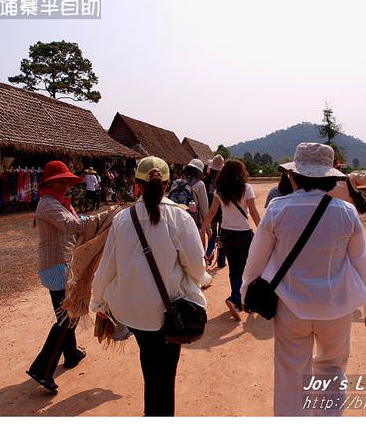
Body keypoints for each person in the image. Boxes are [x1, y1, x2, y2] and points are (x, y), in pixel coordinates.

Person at [241, 143, 366, 416]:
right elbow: (363, 265)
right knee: (331, 370)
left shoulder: (278, 209)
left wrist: (247, 293)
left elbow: (255, 260)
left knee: (291, 373)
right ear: (330, 177)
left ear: (293, 176)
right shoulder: (346, 212)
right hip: (336, 309)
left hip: (291, 308)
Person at [91, 156, 207, 417]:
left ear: (137, 184)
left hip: (134, 313)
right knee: (166, 374)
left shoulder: (122, 219)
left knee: (149, 363)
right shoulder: (180, 217)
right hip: (169, 313)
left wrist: (97, 302)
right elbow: (197, 268)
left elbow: (107, 267)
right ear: (166, 184)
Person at [27, 161, 97, 392]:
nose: (67, 184)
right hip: (56, 267)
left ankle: (71, 354)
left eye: (68, 180)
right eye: (62, 180)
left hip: (59, 265)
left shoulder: (57, 201)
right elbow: (70, 225)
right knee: (68, 316)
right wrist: (95, 220)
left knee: (68, 313)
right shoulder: (48, 204)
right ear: (51, 182)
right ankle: (42, 369)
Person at [200, 159, 261, 321]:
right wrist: (262, 230)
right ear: (240, 172)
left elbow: (212, 211)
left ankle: (238, 299)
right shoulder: (246, 188)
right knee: (246, 268)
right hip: (244, 233)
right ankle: (236, 299)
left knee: (234, 268)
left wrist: (203, 228)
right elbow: (253, 212)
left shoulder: (220, 189)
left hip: (226, 233)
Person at [168, 158, 209, 230]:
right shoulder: (200, 184)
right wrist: (208, 227)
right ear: (200, 172)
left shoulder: (176, 182)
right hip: (191, 222)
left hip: (174, 220)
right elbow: (204, 208)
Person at [203, 155, 226, 268]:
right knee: (222, 235)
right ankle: (221, 261)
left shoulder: (206, 180)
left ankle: (208, 258)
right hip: (222, 211)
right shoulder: (224, 181)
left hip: (210, 210)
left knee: (211, 235)